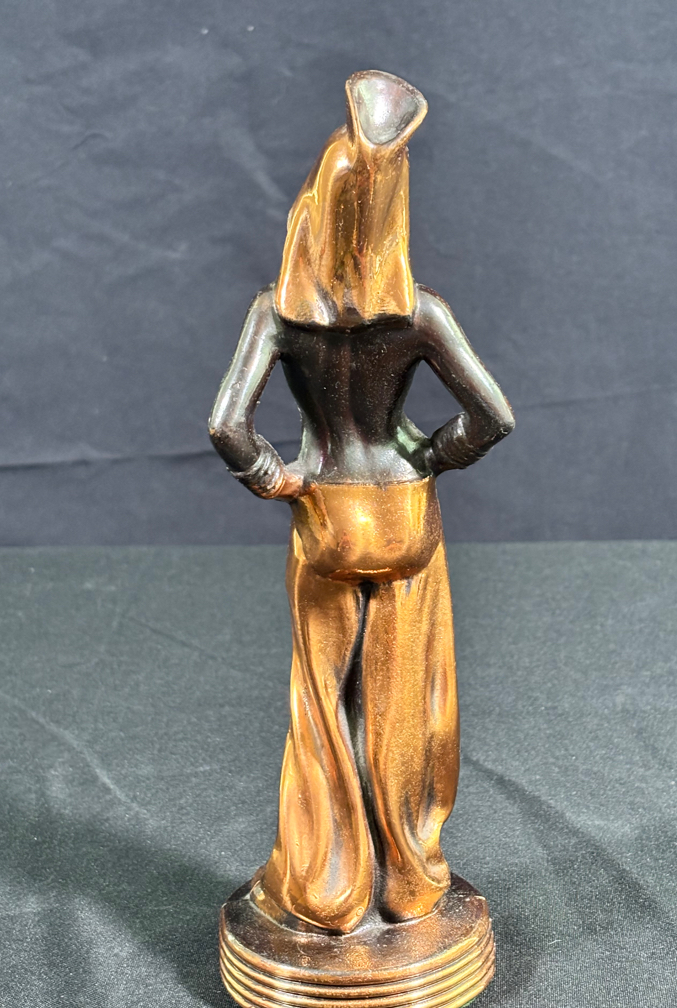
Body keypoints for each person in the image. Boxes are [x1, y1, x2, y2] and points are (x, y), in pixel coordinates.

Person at [210, 70, 514, 935]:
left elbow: (227, 425)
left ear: (313, 210)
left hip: (325, 518)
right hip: (404, 516)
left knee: (321, 705)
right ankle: (411, 882)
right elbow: (494, 416)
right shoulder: (418, 314)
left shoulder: (278, 315)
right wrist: (432, 456)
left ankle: (329, 891)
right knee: (403, 704)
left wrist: (276, 478)